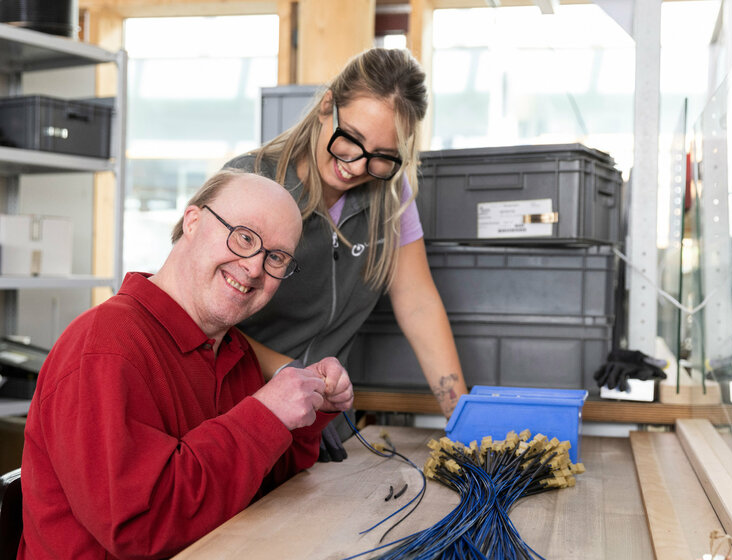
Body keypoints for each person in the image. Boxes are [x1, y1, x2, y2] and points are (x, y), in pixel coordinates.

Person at [18, 169, 354, 559]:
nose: (255, 268)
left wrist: (305, 416)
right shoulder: (104, 347)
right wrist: (265, 415)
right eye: (244, 237)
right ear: (192, 222)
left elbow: (258, 485)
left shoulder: (233, 350)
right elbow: (140, 526)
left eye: (276, 257)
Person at [224, 48, 469, 442]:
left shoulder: (390, 194)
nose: (356, 166)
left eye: (381, 156)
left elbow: (419, 305)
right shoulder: (249, 182)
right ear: (326, 106)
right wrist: (292, 376)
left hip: (323, 429)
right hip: (240, 421)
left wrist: (462, 417)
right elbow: (197, 320)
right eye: (350, 139)